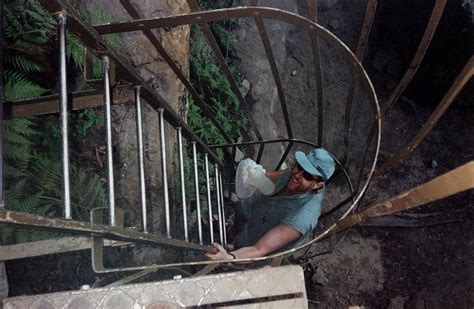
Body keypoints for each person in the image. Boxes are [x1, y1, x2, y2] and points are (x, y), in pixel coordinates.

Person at [205, 148, 335, 261]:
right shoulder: (294, 174)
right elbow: (271, 175)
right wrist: (254, 174)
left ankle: (230, 255)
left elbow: (259, 249)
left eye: (307, 175)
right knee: (241, 211)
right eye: (300, 166)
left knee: (244, 246)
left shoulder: (300, 218)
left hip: (262, 234)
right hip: (260, 209)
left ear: (318, 185)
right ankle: (230, 236)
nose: (297, 175)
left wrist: (230, 258)